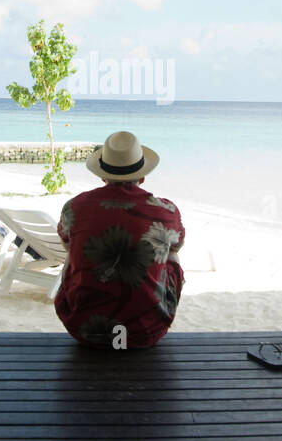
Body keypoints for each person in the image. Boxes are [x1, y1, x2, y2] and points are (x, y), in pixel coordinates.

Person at [54, 130, 185, 350]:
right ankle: (143, 313)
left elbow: (66, 242)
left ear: (103, 176)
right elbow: (177, 245)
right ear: (142, 177)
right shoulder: (166, 210)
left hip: (83, 329)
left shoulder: (75, 206)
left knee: (73, 249)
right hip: (146, 331)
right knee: (171, 253)